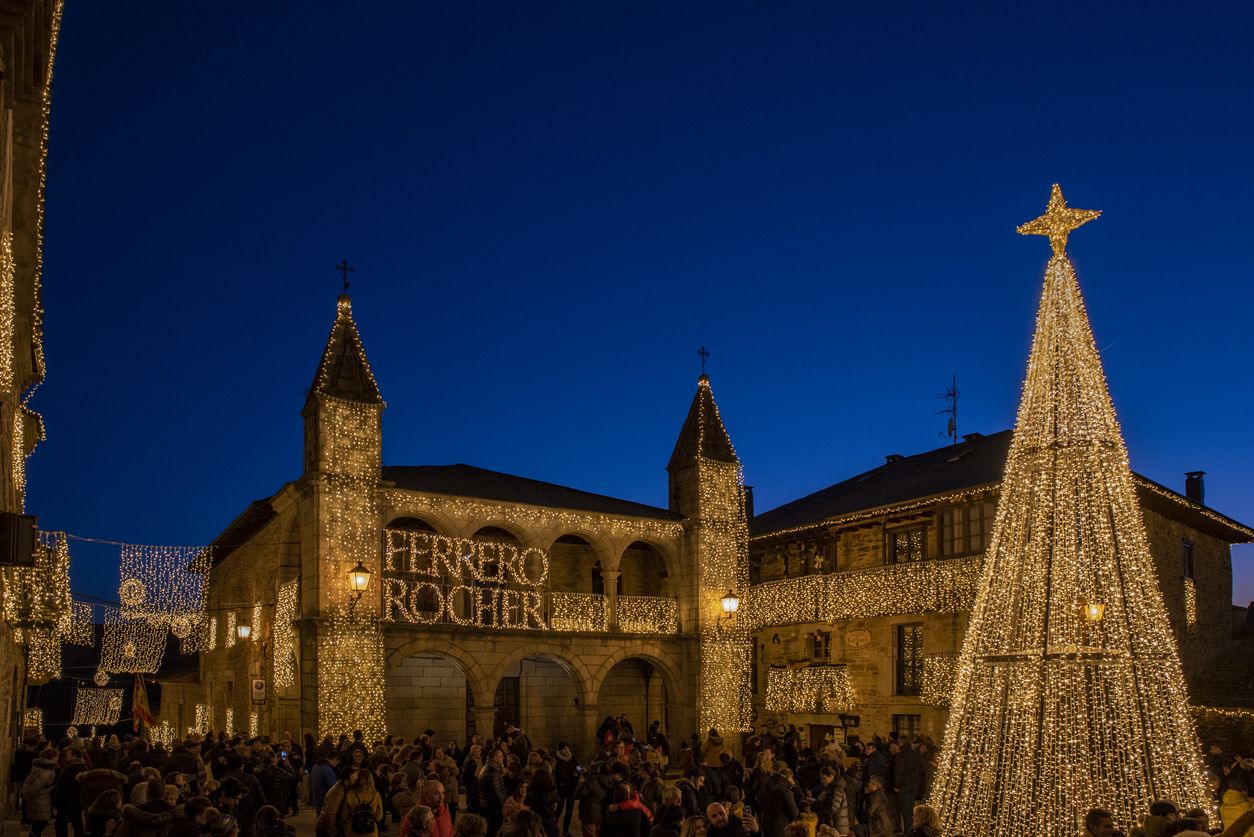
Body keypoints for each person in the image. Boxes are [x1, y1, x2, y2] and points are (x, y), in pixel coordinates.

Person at [320, 766, 384, 837]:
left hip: (353, 830)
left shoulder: (350, 794)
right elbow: (379, 817)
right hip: (371, 832)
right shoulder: (376, 795)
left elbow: (344, 816)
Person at [22, 748, 58, 837]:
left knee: (38, 824)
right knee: (40, 822)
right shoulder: (47, 770)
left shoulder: (40, 767)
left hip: (39, 798)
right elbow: (37, 785)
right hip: (40, 799)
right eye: (56, 756)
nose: (57, 758)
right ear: (51, 757)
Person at [56, 748, 90, 837]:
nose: (66, 758)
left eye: (68, 755)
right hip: (76, 800)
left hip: (68, 800)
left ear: (74, 756)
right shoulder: (81, 766)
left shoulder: (72, 768)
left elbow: (65, 785)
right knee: (77, 822)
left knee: (61, 824)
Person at [479, 750, 508, 837]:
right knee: (493, 829)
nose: (503, 758)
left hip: (486, 804)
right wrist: (504, 805)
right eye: (500, 756)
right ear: (495, 758)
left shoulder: (487, 767)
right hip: (493, 806)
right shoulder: (493, 772)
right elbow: (497, 792)